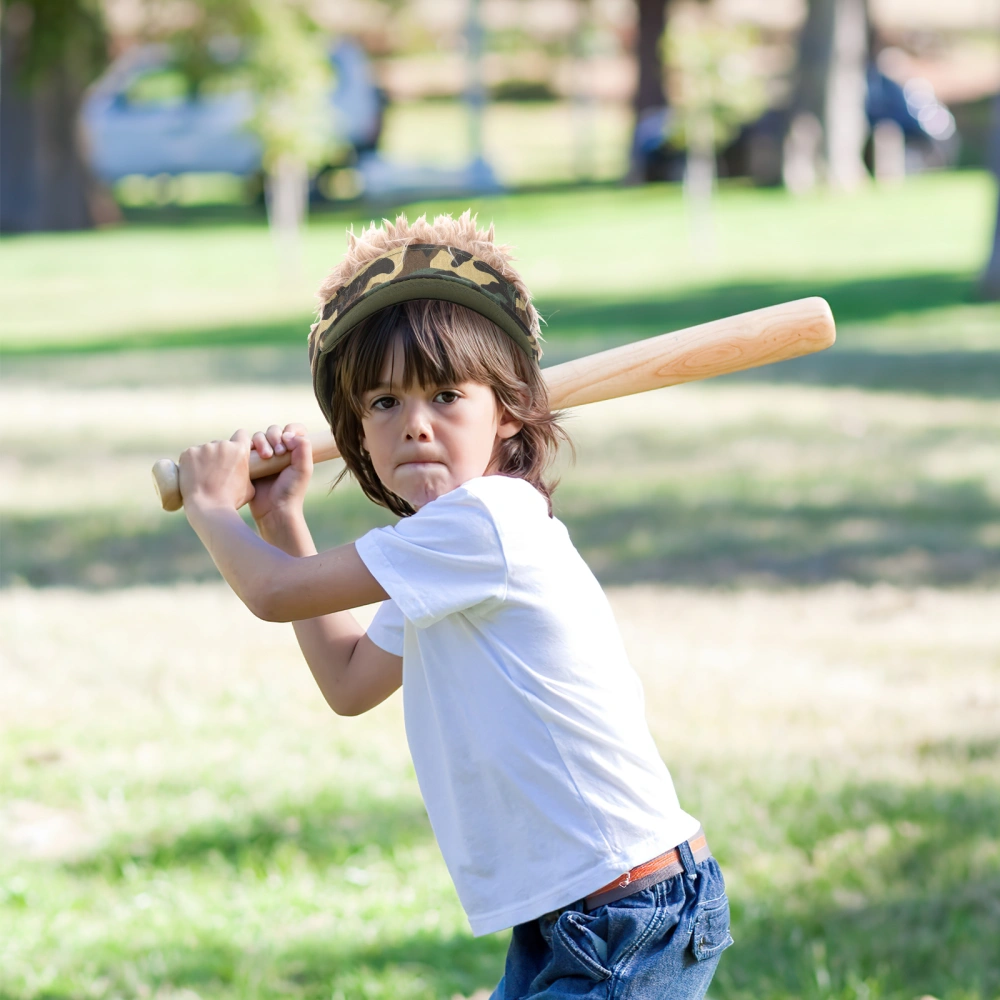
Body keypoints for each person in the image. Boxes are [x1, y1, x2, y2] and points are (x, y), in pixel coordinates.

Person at [178, 211, 733, 998]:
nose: (415, 426)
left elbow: (271, 593)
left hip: (628, 908)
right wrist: (280, 518)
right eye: (383, 404)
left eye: (445, 395)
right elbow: (347, 681)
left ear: (507, 411)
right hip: (566, 919)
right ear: (358, 429)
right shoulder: (439, 555)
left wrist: (210, 506)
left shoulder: (488, 523)